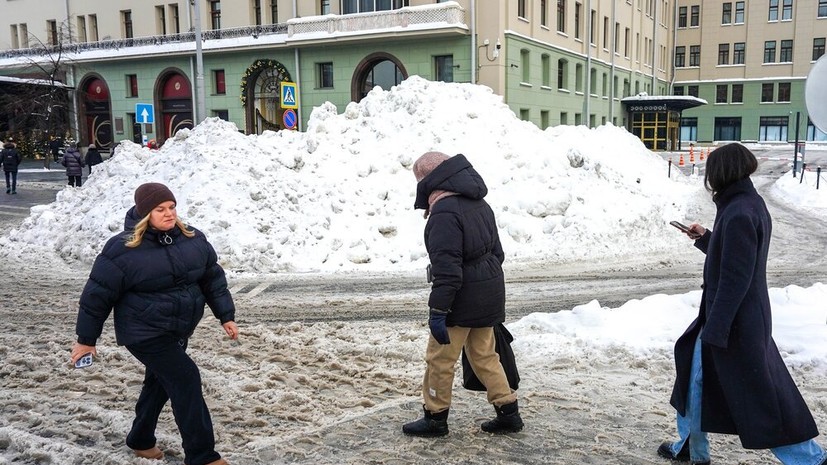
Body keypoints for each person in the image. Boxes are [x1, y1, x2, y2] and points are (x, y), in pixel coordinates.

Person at [659, 143, 826, 465]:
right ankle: (691, 447)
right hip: (736, 316)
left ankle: (810, 458)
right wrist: (706, 237)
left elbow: (736, 276)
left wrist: (717, 328)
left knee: (763, 396)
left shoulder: (738, 212)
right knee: (695, 379)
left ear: (721, 173)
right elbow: (735, 256)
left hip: (735, 320)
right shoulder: (745, 203)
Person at [69, 182, 237, 465]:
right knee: (185, 377)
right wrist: (86, 340)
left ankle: (140, 438)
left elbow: (212, 278)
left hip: (177, 328)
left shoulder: (192, 238)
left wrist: (226, 315)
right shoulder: (122, 249)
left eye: (172, 207)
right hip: (143, 331)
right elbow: (96, 296)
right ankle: (202, 456)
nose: (169, 213)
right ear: (145, 213)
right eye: (160, 209)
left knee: (159, 382)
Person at [402, 151, 523, 437]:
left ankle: (435, 417)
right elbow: (497, 254)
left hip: (459, 299)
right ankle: (508, 412)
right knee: (485, 355)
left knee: (440, 359)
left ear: (429, 180)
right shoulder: (479, 203)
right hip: (489, 292)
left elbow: (447, 271)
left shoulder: (444, 212)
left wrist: (438, 311)